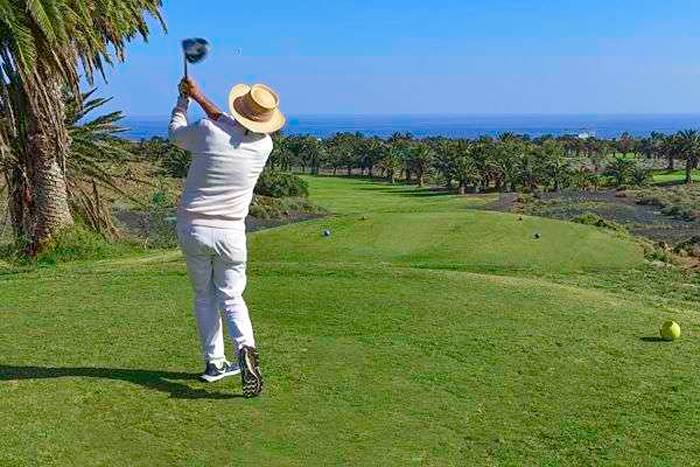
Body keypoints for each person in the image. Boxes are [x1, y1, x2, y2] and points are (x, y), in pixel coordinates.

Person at [169, 78, 285, 398]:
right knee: (231, 297)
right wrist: (199, 96)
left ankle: (215, 362)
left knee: (204, 296)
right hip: (232, 233)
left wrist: (184, 102)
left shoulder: (207, 130)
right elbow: (227, 125)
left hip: (194, 229)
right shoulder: (264, 145)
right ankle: (246, 349)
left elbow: (176, 133)